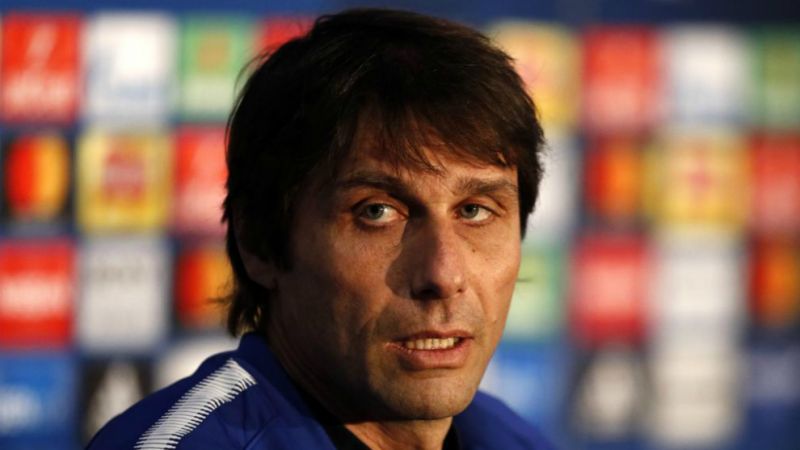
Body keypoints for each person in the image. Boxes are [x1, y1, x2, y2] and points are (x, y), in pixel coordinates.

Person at [88, 8, 551, 450]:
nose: (443, 275)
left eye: (475, 211)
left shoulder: (516, 441)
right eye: (377, 212)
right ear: (259, 243)